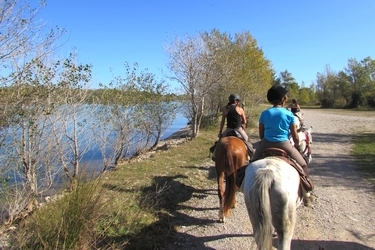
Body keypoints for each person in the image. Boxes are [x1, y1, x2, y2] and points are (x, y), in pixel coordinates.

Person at [251, 85, 312, 189]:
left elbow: (261, 135)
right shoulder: (289, 114)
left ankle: (242, 183)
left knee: (251, 163)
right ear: (283, 99)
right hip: (284, 144)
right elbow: (295, 137)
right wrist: (296, 144)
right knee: (303, 164)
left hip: (266, 143)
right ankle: (307, 190)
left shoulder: (264, 114)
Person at [211, 94, 254, 160]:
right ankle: (251, 155)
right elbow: (244, 121)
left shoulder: (226, 109)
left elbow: (222, 121)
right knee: (247, 140)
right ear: (235, 101)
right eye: (238, 101)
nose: (238, 102)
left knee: (220, 142)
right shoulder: (240, 109)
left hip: (228, 129)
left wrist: (220, 131)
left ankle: (214, 155)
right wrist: (243, 124)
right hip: (238, 129)